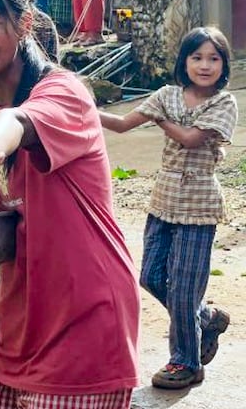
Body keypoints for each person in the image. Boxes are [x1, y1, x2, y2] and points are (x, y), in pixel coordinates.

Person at [0, 0, 140, 408]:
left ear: (24, 24)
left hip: (85, 321)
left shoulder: (66, 92)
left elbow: (17, 121)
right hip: (16, 320)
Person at [99, 26, 236, 390]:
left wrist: (160, 118)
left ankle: (186, 362)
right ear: (184, 61)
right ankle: (205, 317)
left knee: (183, 289)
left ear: (224, 66)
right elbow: (123, 124)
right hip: (163, 200)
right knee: (151, 277)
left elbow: (191, 140)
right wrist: (81, 106)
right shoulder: (166, 94)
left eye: (213, 58)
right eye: (197, 57)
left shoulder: (224, 103)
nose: (205, 65)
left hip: (199, 203)